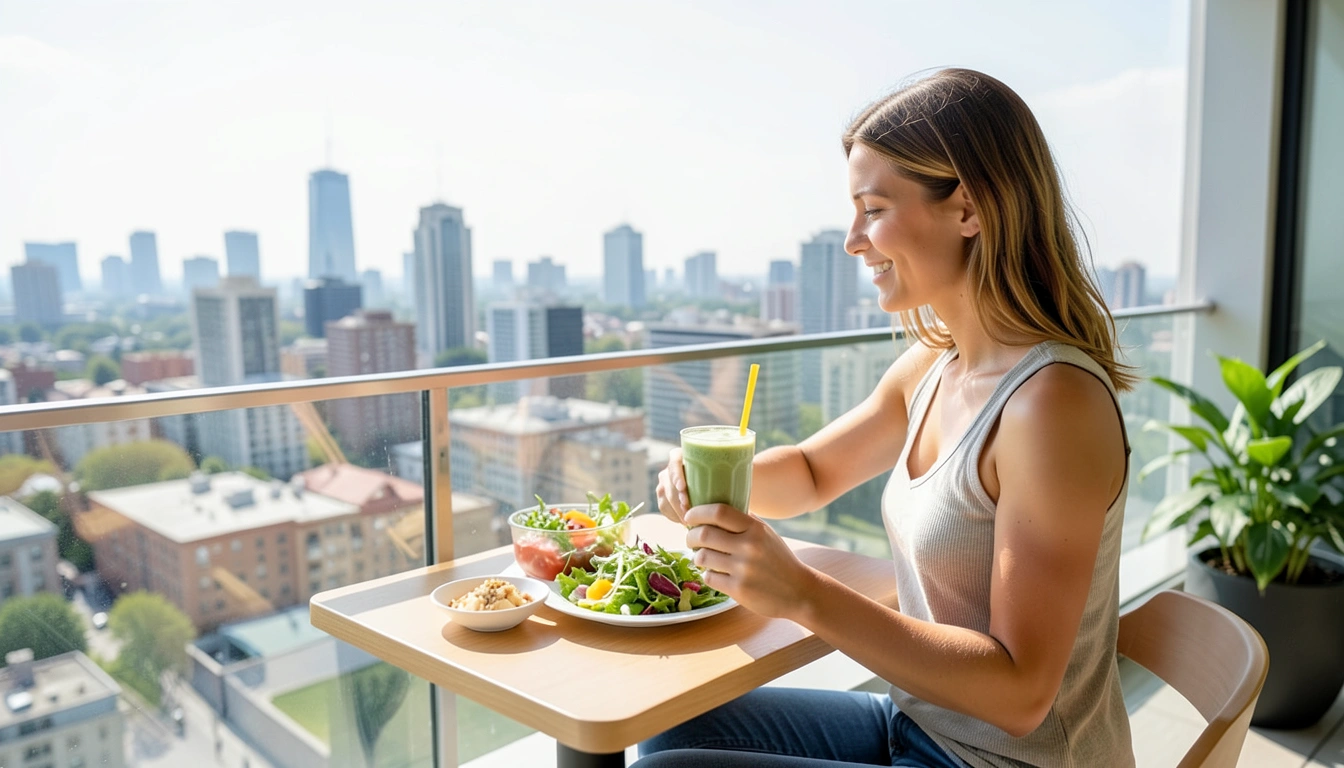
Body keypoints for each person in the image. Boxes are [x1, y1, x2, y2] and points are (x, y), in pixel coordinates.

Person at [637, 68, 1136, 768]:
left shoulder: (1051, 406)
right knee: (673, 729)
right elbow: (811, 473)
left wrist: (804, 594)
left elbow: (1022, 693)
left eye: (872, 209)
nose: (852, 240)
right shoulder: (932, 367)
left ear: (970, 209)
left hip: (1000, 761)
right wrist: (708, 476)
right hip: (922, 724)